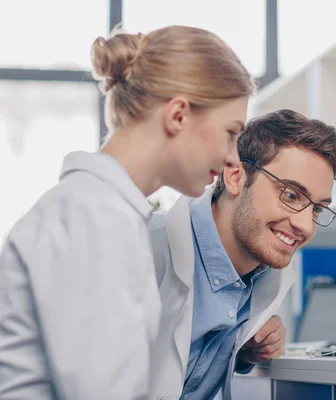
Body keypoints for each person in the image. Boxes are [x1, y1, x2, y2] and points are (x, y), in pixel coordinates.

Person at [0, 25, 253, 399]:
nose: (233, 156)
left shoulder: (104, 209)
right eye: (231, 133)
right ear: (178, 115)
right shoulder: (97, 216)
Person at [148, 109, 336, 399]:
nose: (305, 226)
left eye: (317, 209)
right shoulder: (143, 250)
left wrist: (245, 350)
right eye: (291, 195)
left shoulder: (264, 273)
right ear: (234, 176)